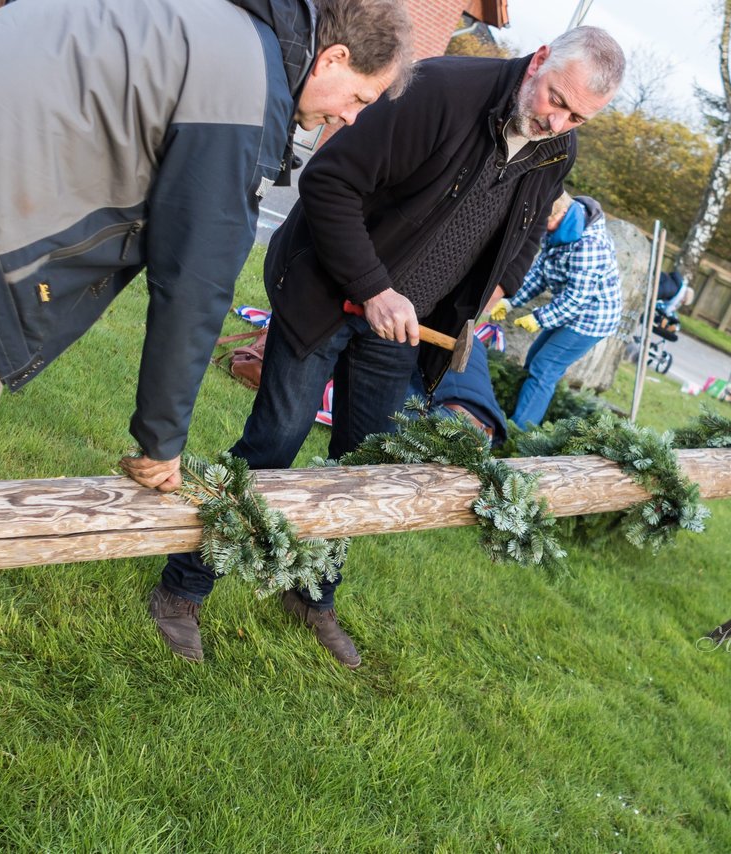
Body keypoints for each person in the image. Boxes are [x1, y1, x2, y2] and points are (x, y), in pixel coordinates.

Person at [0, 0, 412, 707]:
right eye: (358, 99)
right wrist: (160, 441)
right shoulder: (245, 80)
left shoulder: (250, 48)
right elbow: (194, 279)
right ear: (334, 59)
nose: (350, 116)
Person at [153, 26, 626, 668]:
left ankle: (311, 596)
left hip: (404, 326)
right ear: (538, 59)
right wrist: (375, 288)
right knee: (273, 445)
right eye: (556, 100)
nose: (558, 122)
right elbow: (328, 183)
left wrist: (493, 296)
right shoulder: (438, 89)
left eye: (578, 118)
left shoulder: (554, 149)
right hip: (323, 292)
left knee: (364, 465)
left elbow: (521, 242)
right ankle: (182, 591)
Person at [489, 193, 622, 429]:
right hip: (570, 309)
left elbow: (577, 297)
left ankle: (519, 432)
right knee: (533, 359)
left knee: (545, 366)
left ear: (562, 214)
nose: (543, 226)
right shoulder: (561, 232)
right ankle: (522, 411)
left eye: (546, 220)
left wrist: (540, 318)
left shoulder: (589, 244)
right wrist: (511, 300)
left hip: (591, 318)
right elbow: (540, 274)